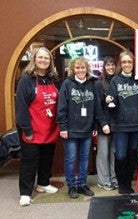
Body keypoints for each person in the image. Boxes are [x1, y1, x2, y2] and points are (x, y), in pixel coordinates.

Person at [106, 50, 138, 195]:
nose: (127, 64)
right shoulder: (115, 80)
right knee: (121, 155)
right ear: (120, 64)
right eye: (124, 62)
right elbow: (112, 99)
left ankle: (128, 183)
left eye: (129, 62)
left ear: (133, 63)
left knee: (131, 154)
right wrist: (109, 99)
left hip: (136, 124)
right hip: (120, 125)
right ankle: (121, 183)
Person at [16, 47, 60, 206]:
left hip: (50, 128)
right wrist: (26, 129)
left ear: (50, 62)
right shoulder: (26, 80)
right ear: (34, 59)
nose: (43, 60)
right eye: (40, 57)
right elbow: (21, 107)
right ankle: (25, 193)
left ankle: (43, 183)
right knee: (29, 161)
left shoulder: (53, 79)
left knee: (46, 158)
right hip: (32, 129)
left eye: (46, 58)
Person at [57, 57, 97, 199]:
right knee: (70, 158)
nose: (80, 70)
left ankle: (82, 184)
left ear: (87, 69)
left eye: (83, 68)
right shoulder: (67, 84)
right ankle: (71, 186)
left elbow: (95, 106)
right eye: (77, 68)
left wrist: (94, 126)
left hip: (87, 129)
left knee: (85, 158)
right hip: (70, 130)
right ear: (73, 69)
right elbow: (61, 107)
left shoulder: (92, 85)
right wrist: (63, 127)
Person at [94, 57, 118, 191]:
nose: (111, 67)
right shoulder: (98, 84)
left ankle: (114, 179)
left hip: (117, 124)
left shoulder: (117, 81)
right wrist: (103, 123)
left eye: (113, 64)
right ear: (104, 67)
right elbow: (97, 106)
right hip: (104, 124)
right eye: (108, 65)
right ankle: (103, 180)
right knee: (103, 153)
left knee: (114, 153)